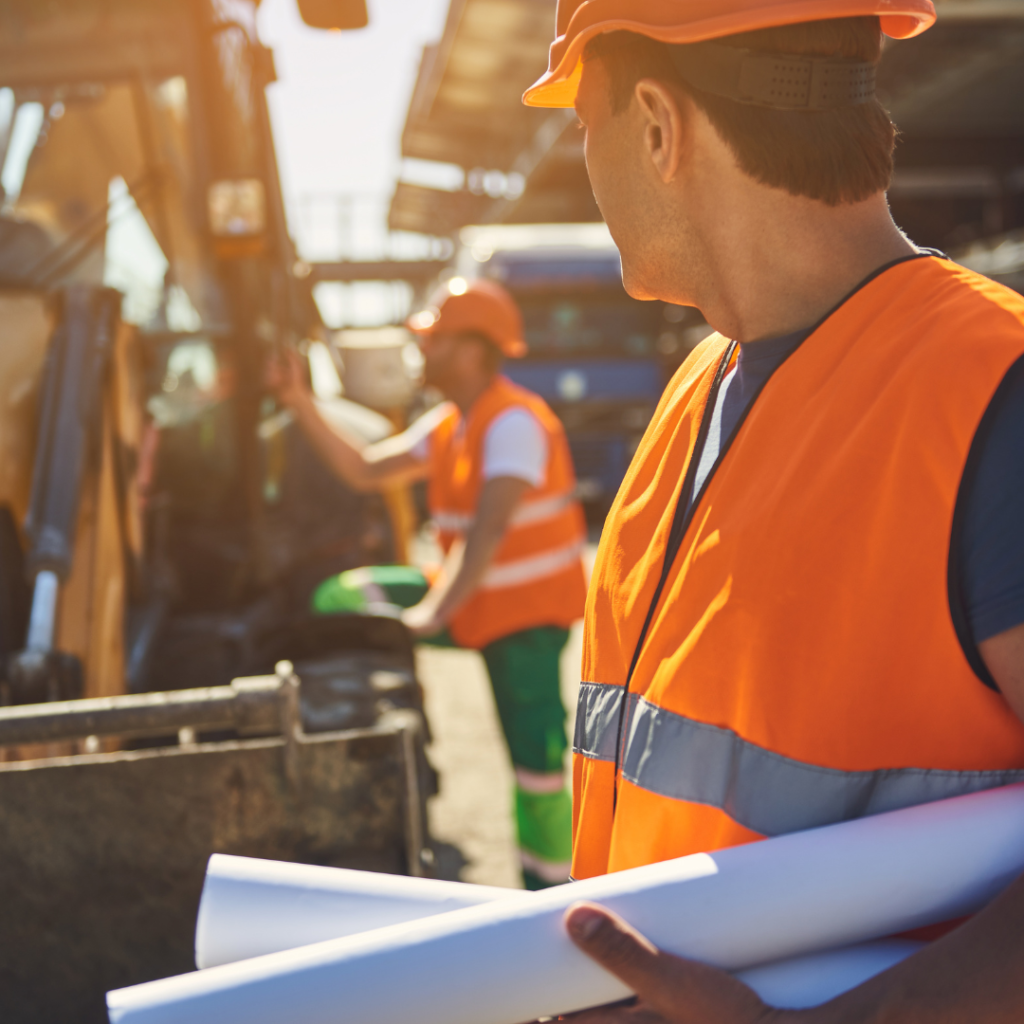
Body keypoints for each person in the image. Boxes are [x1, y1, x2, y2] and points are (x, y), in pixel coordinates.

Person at [516, 1, 1024, 1020]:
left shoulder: (994, 395)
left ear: (657, 127)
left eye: (585, 126)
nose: (588, 166)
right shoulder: (698, 390)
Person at [269, 277, 588, 891]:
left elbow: (488, 533)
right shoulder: (451, 424)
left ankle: (554, 890)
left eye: (436, 339)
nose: (423, 351)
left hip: (523, 622)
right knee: (345, 598)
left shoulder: (513, 423)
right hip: (471, 602)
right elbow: (365, 470)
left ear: (474, 350)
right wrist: (299, 401)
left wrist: (432, 612)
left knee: (537, 767)